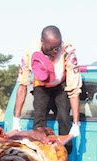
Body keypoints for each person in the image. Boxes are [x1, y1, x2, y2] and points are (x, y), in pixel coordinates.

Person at [13, 25, 82, 154]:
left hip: (60, 86)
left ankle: (64, 160)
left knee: (64, 119)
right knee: (38, 121)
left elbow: (74, 90)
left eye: (58, 46)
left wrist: (76, 124)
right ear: (42, 42)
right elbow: (22, 87)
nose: (56, 51)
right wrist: (16, 121)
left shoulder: (68, 51)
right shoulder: (30, 52)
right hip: (41, 86)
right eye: (52, 48)